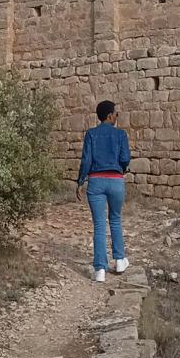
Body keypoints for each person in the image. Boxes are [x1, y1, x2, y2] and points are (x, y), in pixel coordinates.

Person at [75, 99, 131, 283]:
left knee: (99, 225)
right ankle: (120, 260)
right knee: (115, 219)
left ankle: (100, 269)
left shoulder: (91, 134)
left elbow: (86, 160)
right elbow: (125, 158)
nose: (117, 116)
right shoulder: (121, 135)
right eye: (116, 113)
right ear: (109, 115)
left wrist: (80, 181)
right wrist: (120, 168)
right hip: (116, 181)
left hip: (96, 181)